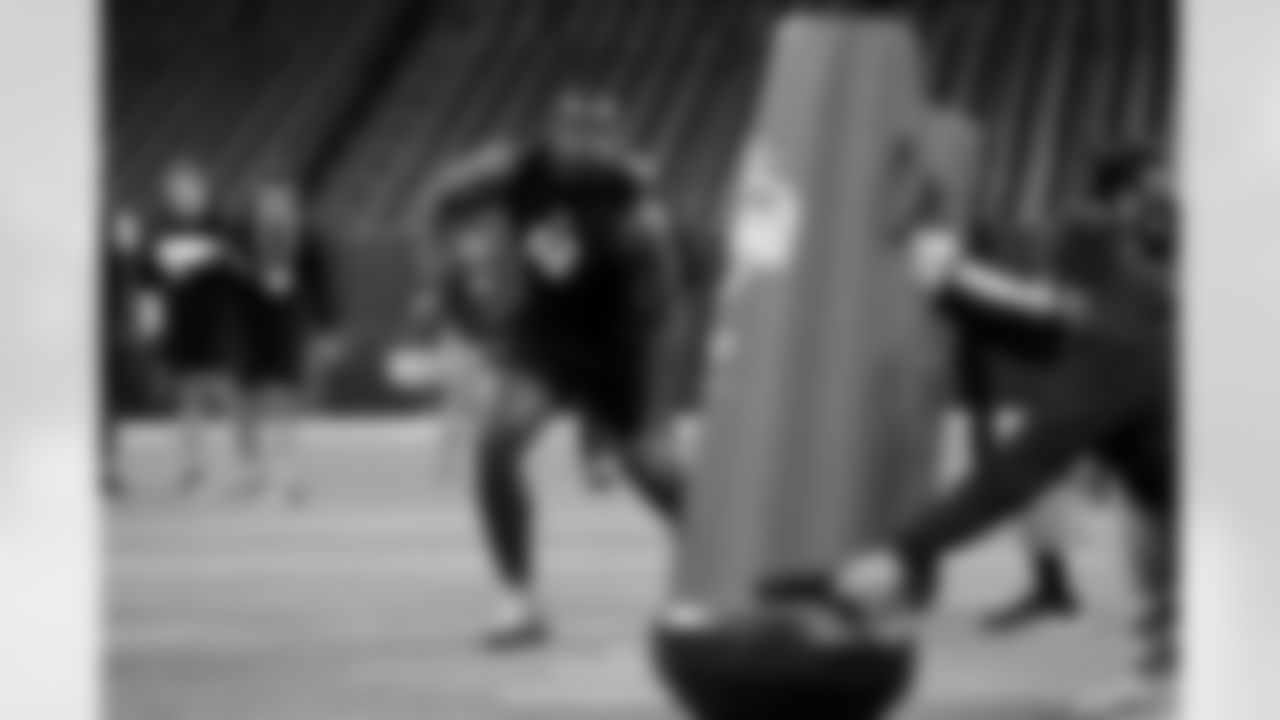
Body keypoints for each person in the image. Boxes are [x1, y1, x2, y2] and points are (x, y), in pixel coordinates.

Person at [834, 144, 1177, 718]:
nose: (1049, 291)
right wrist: (949, 286)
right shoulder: (1131, 295)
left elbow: (1017, 471)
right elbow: (1038, 324)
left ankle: (1179, 675)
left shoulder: (1115, 338)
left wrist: (906, 549)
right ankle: (1166, 670)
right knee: (1154, 537)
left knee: (1171, 541)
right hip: (1177, 472)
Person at [408, 91, 689, 649]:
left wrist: (650, 402)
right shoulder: (513, 169)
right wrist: (438, 275)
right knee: (497, 442)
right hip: (545, 340)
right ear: (555, 132)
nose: (586, 145)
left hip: (617, 347)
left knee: (656, 474)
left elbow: (664, 310)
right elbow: (436, 199)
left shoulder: (638, 215)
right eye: (575, 131)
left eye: (600, 135)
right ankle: (517, 599)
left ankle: (724, 564)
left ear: (618, 143)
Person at [133, 160, 249, 493]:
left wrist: (211, 259)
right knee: (187, 397)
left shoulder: (224, 226)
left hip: (221, 324)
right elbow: (147, 281)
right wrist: (149, 322)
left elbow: (242, 271)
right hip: (180, 325)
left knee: (231, 395)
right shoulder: (158, 229)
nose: (182, 195)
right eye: (175, 190)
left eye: (188, 188)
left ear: (203, 190)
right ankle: (192, 467)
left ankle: (247, 466)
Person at [234, 182, 341, 501]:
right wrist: (256, 277)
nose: (276, 210)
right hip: (248, 326)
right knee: (247, 402)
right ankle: (251, 471)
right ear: (259, 208)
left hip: (287, 327)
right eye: (269, 203)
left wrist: (327, 330)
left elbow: (321, 287)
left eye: (282, 204)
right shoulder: (242, 238)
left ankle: (290, 473)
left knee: (285, 399)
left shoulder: (307, 239)